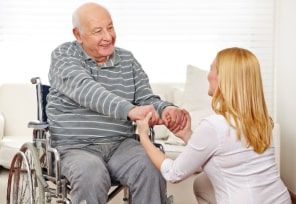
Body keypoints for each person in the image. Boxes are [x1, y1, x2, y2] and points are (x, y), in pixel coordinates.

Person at [46, 2, 187, 204]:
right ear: (78, 35)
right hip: (76, 147)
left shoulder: (127, 60)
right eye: (98, 31)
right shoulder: (63, 56)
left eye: (110, 27)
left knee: (152, 164)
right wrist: (130, 110)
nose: (108, 36)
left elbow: (146, 99)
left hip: (121, 145)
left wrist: (166, 110)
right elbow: (86, 90)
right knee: (91, 173)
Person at [136, 47, 292, 204]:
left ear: (224, 78)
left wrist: (144, 137)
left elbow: (173, 174)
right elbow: (225, 151)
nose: (208, 76)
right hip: (280, 199)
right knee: (202, 183)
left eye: (211, 69)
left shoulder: (214, 125)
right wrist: (188, 134)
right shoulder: (261, 120)